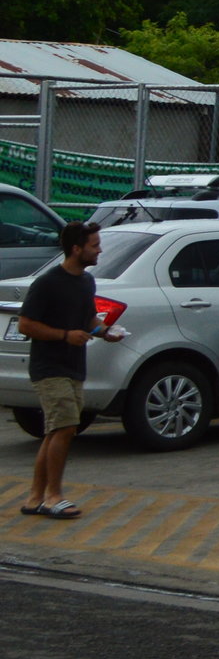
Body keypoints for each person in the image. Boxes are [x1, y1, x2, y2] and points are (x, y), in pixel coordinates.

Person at [16, 221, 119, 520]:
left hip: (74, 365)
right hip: (49, 367)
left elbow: (87, 317)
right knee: (64, 427)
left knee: (57, 430)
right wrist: (65, 335)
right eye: (94, 245)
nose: (99, 250)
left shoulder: (86, 281)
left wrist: (104, 331)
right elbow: (26, 324)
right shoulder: (48, 282)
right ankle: (54, 496)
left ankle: (35, 497)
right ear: (77, 249)